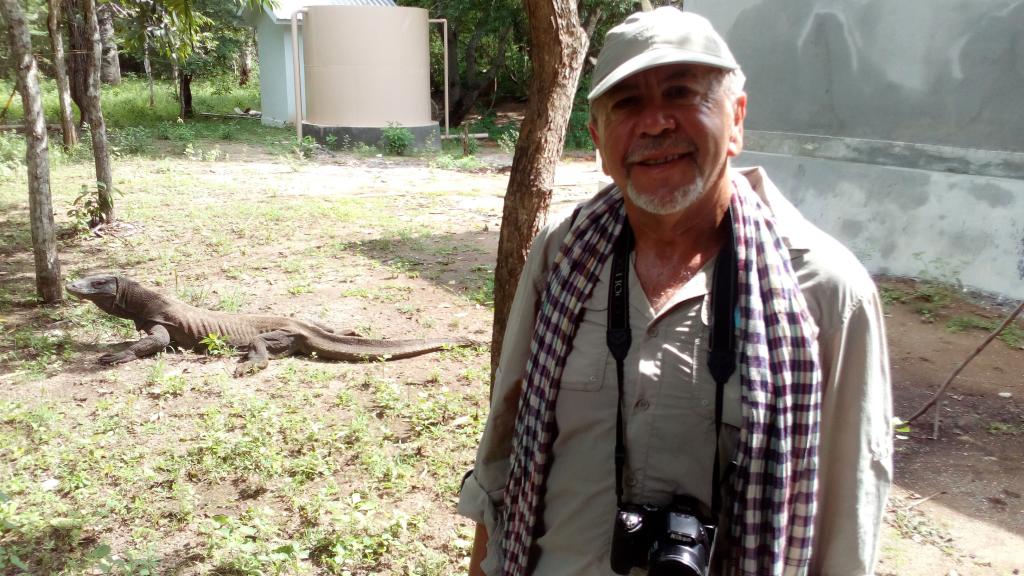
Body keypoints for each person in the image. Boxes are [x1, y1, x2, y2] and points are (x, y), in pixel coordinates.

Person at [458, 7, 893, 576]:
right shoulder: (562, 255)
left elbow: (845, 523)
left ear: (736, 120)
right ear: (598, 139)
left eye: (682, 93)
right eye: (627, 103)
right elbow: (506, 450)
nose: (656, 123)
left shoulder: (826, 292)